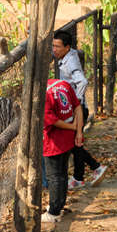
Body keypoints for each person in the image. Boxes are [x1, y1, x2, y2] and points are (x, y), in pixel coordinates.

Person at [52, 30, 107, 190]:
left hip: (77, 110)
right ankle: (80, 177)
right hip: (75, 108)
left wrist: (74, 101)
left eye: (57, 46)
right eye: (53, 46)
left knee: (74, 143)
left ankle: (94, 168)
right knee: (75, 143)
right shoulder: (68, 54)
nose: (54, 50)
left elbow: (82, 82)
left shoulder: (71, 63)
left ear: (67, 47)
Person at [42, 79, 83, 223]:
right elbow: (78, 107)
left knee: (54, 176)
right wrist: (78, 131)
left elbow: (51, 121)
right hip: (68, 140)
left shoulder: (43, 95)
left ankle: (53, 212)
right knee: (63, 174)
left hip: (53, 142)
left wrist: (73, 128)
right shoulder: (62, 84)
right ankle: (59, 205)